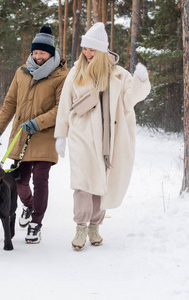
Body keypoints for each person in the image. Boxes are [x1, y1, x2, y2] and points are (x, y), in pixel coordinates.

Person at [54, 22, 151, 250]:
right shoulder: (76, 72)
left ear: (103, 51)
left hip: (109, 139)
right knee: (82, 183)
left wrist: (141, 81)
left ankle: (95, 226)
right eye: (85, 49)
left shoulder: (118, 74)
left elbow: (129, 100)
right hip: (82, 136)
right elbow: (65, 104)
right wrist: (62, 135)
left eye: (92, 50)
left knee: (101, 183)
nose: (87, 53)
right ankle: (80, 226)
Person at [0, 25, 68, 244]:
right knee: (20, 181)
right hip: (21, 135)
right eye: (35, 52)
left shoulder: (62, 76)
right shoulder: (22, 72)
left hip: (45, 134)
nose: (38, 56)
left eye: (42, 52)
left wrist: (38, 122)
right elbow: (10, 104)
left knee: (41, 179)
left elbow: (62, 108)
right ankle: (29, 206)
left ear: (51, 53)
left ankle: (36, 222)